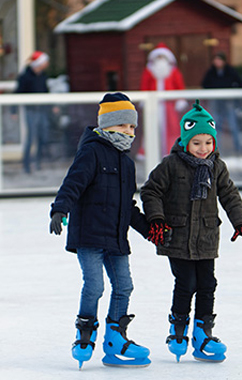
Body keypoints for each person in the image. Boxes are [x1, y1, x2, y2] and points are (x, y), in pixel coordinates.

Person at [140, 100, 242, 363]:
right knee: (186, 283)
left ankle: (203, 332)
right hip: (177, 236)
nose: (203, 148)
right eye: (197, 143)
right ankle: (178, 329)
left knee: (208, 284)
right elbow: (150, 191)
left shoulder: (217, 166)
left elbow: (230, 194)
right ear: (185, 141)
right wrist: (157, 220)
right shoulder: (171, 164)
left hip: (206, 236)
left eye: (208, 142)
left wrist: (240, 222)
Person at [49, 92, 152, 369]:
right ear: (106, 125)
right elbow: (73, 183)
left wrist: (149, 230)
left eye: (132, 127)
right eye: (122, 126)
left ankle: (115, 338)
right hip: (90, 235)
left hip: (116, 237)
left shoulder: (127, 164)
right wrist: (60, 209)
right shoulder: (91, 152)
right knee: (94, 286)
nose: (128, 132)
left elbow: (128, 206)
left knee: (124, 286)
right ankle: (84, 334)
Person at [140, 43, 187, 154]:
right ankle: (149, 151)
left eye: (163, 57)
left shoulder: (174, 71)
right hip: (153, 104)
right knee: (151, 126)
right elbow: (144, 86)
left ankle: (172, 149)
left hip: (169, 104)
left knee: (172, 127)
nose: (160, 60)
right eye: (158, 57)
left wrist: (180, 99)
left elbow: (179, 86)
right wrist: (144, 99)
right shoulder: (149, 71)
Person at [201, 52, 242, 154]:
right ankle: (216, 148)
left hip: (228, 103)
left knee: (233, 125)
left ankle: (238, 148)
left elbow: (239, 83)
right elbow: (204, 84)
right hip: (216, 103)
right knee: (216, 126)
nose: (217, 62)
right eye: (216, 60)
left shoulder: (230, 71)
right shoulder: (211, 72)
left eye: (219, 60)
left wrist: (234, 95)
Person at [15, 51, 51, 173]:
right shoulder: (25, 77)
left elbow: (46, 92)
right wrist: (13, 110)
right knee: (31, 137)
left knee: (42, 136)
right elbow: (18, 93)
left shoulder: (43, 76)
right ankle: (27, 164)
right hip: (31, 110)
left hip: (42, 110)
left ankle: (38, 162)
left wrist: (51, 106)